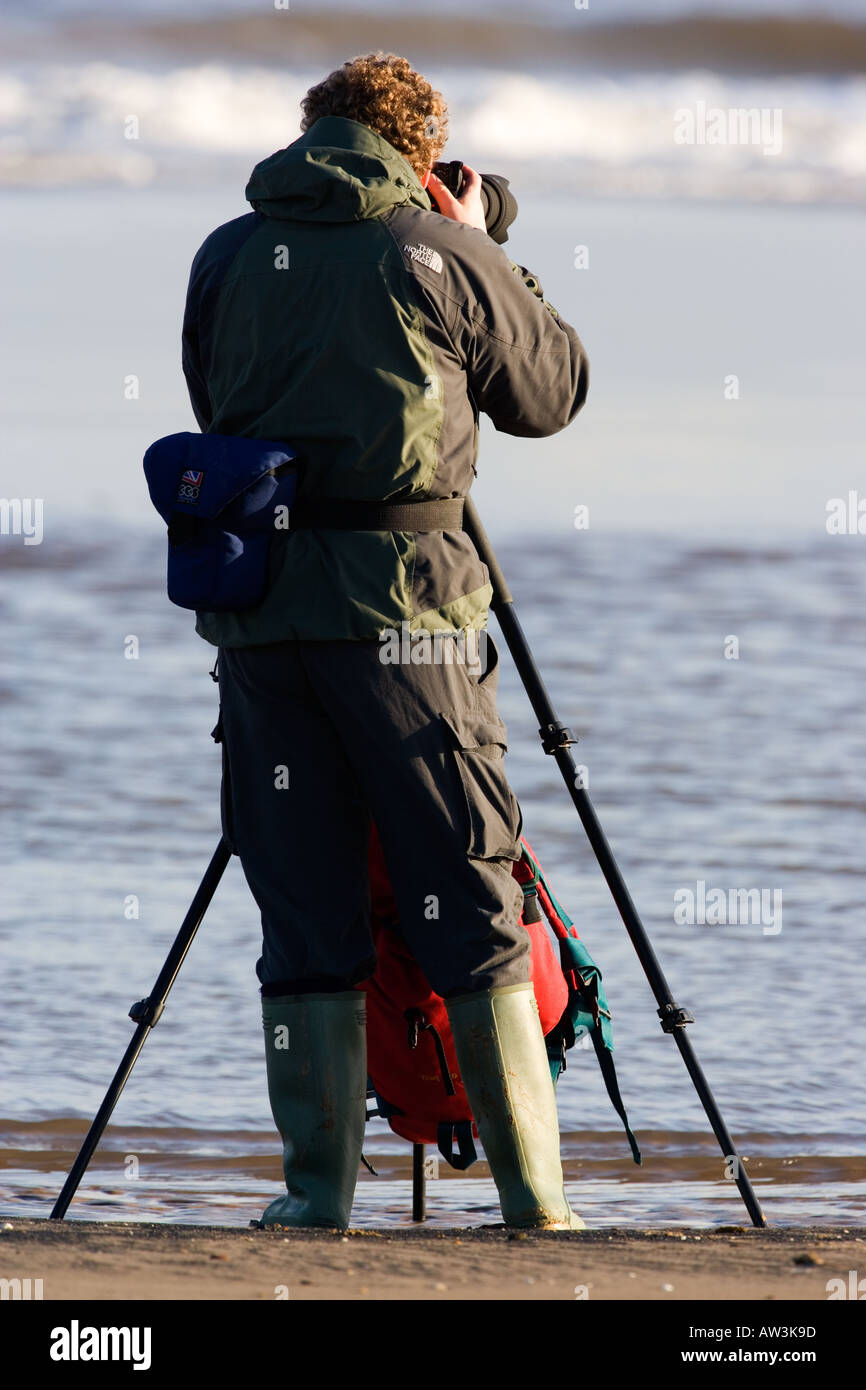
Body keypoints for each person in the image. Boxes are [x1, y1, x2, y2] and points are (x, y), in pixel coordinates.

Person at [181, 52, 589, 1230]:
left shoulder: (225, 252)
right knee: (465, 892)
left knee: (302, 905)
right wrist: (481, 242)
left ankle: (314, 1199)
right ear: (419, 151)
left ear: (312, 132)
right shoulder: (442, 247)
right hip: (407, 624)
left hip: (263, 624)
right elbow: (549, 393)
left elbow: (217, 406)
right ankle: (533, 1205)